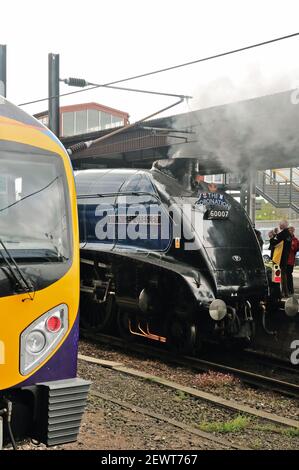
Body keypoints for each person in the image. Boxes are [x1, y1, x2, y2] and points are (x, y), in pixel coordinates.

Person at [271, 220, 292, 298]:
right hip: (284, 258)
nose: (279, 225)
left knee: (276, 276)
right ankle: (285, 292)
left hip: (278, 258)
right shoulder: (289, 235)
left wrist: (272, 236)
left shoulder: (281, 234)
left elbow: (273, 243)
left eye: (280, 224)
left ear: (283, 225)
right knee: (283, 276)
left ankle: (277, 293)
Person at [286, 226, 299, 295]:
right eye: (289, 230)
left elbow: (296, 249)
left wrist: (292, 246)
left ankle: (290, 290)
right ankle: (283, 290)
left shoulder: (295, 240)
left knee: (289, 275)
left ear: (293, 231)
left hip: (290, 261)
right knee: (279, 276)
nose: (289, 231)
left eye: (291, 230)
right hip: (282, 260)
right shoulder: (284, 238)